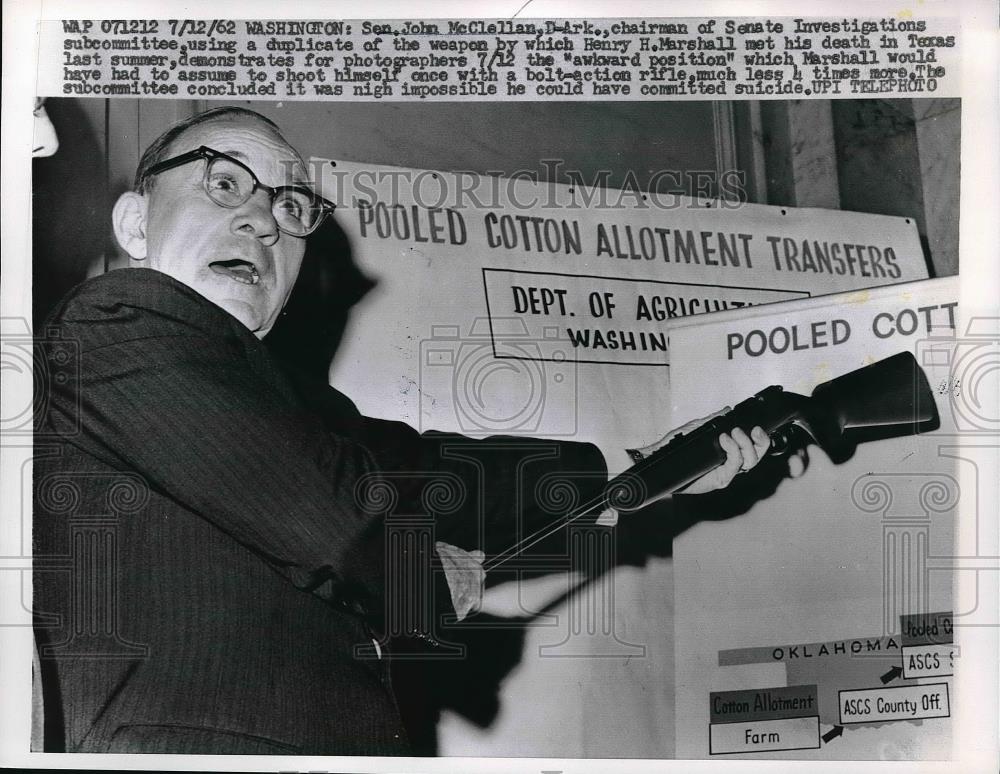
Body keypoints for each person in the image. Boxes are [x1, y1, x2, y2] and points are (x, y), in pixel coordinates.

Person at [33, 107, 779, 755]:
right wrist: (425, 577)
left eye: (291, 207)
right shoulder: (116, 324)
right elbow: (337, 522)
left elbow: (426, 471)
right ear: (134, 222)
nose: (263, 221)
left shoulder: (286, 403)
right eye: (223, 183)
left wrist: (640, 466)